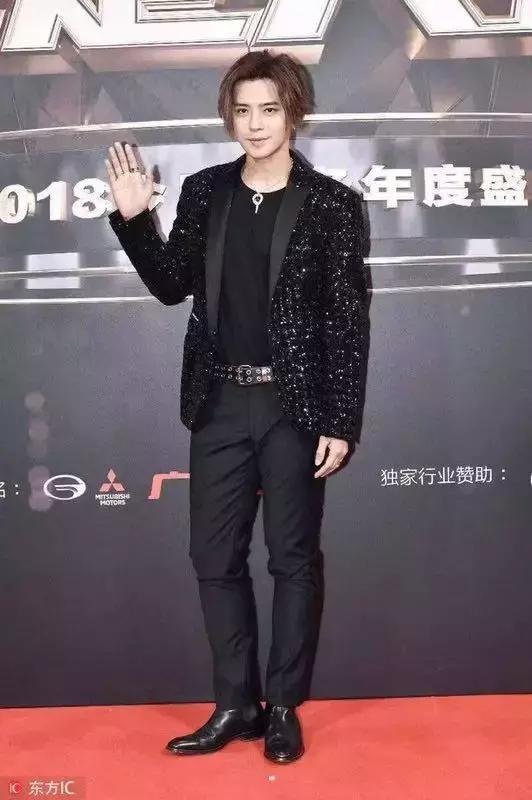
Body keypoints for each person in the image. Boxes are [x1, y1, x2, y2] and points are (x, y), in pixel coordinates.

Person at [105, 48, 368, 764]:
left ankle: (281, 706)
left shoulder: (332, 205)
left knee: (291, 559)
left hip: (294, 406)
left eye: (269, 110)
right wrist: (134, 220)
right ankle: (234, 704)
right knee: (213, 557)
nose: (254, 124)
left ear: (294, 113)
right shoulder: (204, 192)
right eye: (243, 110)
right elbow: (171, 286)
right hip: (219, 399)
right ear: (230, 116)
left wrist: (340, 420)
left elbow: (347, 322)